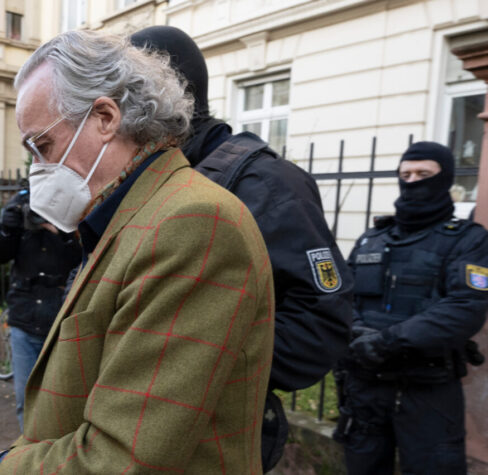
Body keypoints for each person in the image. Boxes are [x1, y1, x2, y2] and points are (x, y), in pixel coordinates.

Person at [0, 29, 275, 475]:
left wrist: (1, 469)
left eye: (42, 145)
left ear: (105, 117)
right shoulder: (134, 215)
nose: (37, 168)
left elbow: (128, 455)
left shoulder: (192, 222)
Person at [130, 25, 354, 470]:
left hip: (223, 436)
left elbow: (320, 321)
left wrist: (203, 371)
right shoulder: (157, 175)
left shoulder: (266, 183)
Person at [334, 141, 488, 474]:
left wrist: (385, 342)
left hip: (427, 391)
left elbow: (465, 307)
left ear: (444, 178)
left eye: (423, 173)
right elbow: (343, 296)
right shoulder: (371, 239)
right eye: (406, 174)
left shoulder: (468, 239)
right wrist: (356, 331)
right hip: (366, 389)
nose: (413, 180)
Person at [0, 188, 81, 431]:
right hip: (24, 320)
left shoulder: (70, 217)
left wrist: (60, 229)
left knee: (60, 402)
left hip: (59, 324)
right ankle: (27, 456)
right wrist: (7, 226)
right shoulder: (19, 219)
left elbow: (85, 257)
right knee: (25, 400)